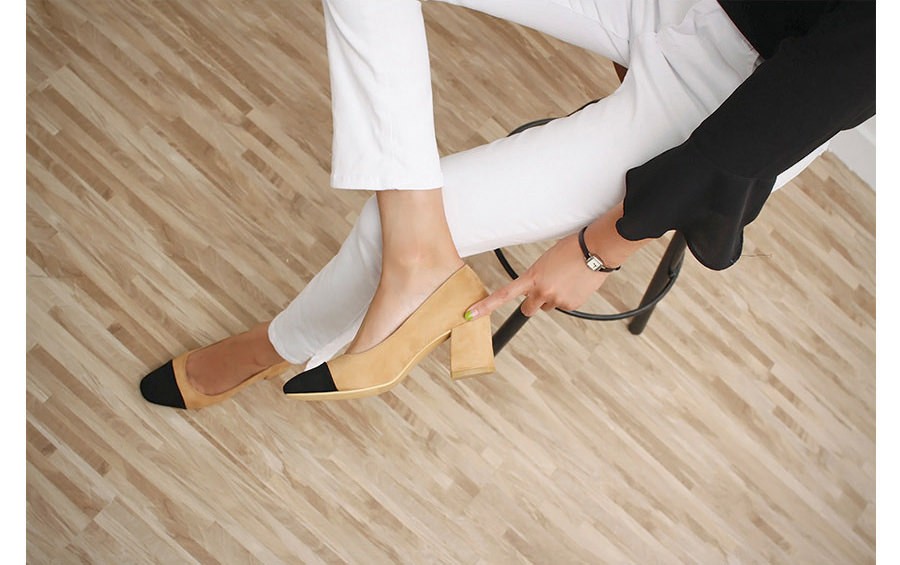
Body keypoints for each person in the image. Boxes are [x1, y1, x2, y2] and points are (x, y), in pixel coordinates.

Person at [140, 0, 875, 409]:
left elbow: (792, 112)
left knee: (385, 227)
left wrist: (602, 247)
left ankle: (270, 348)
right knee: (410, 218)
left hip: (731, 97)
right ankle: (420, 256)